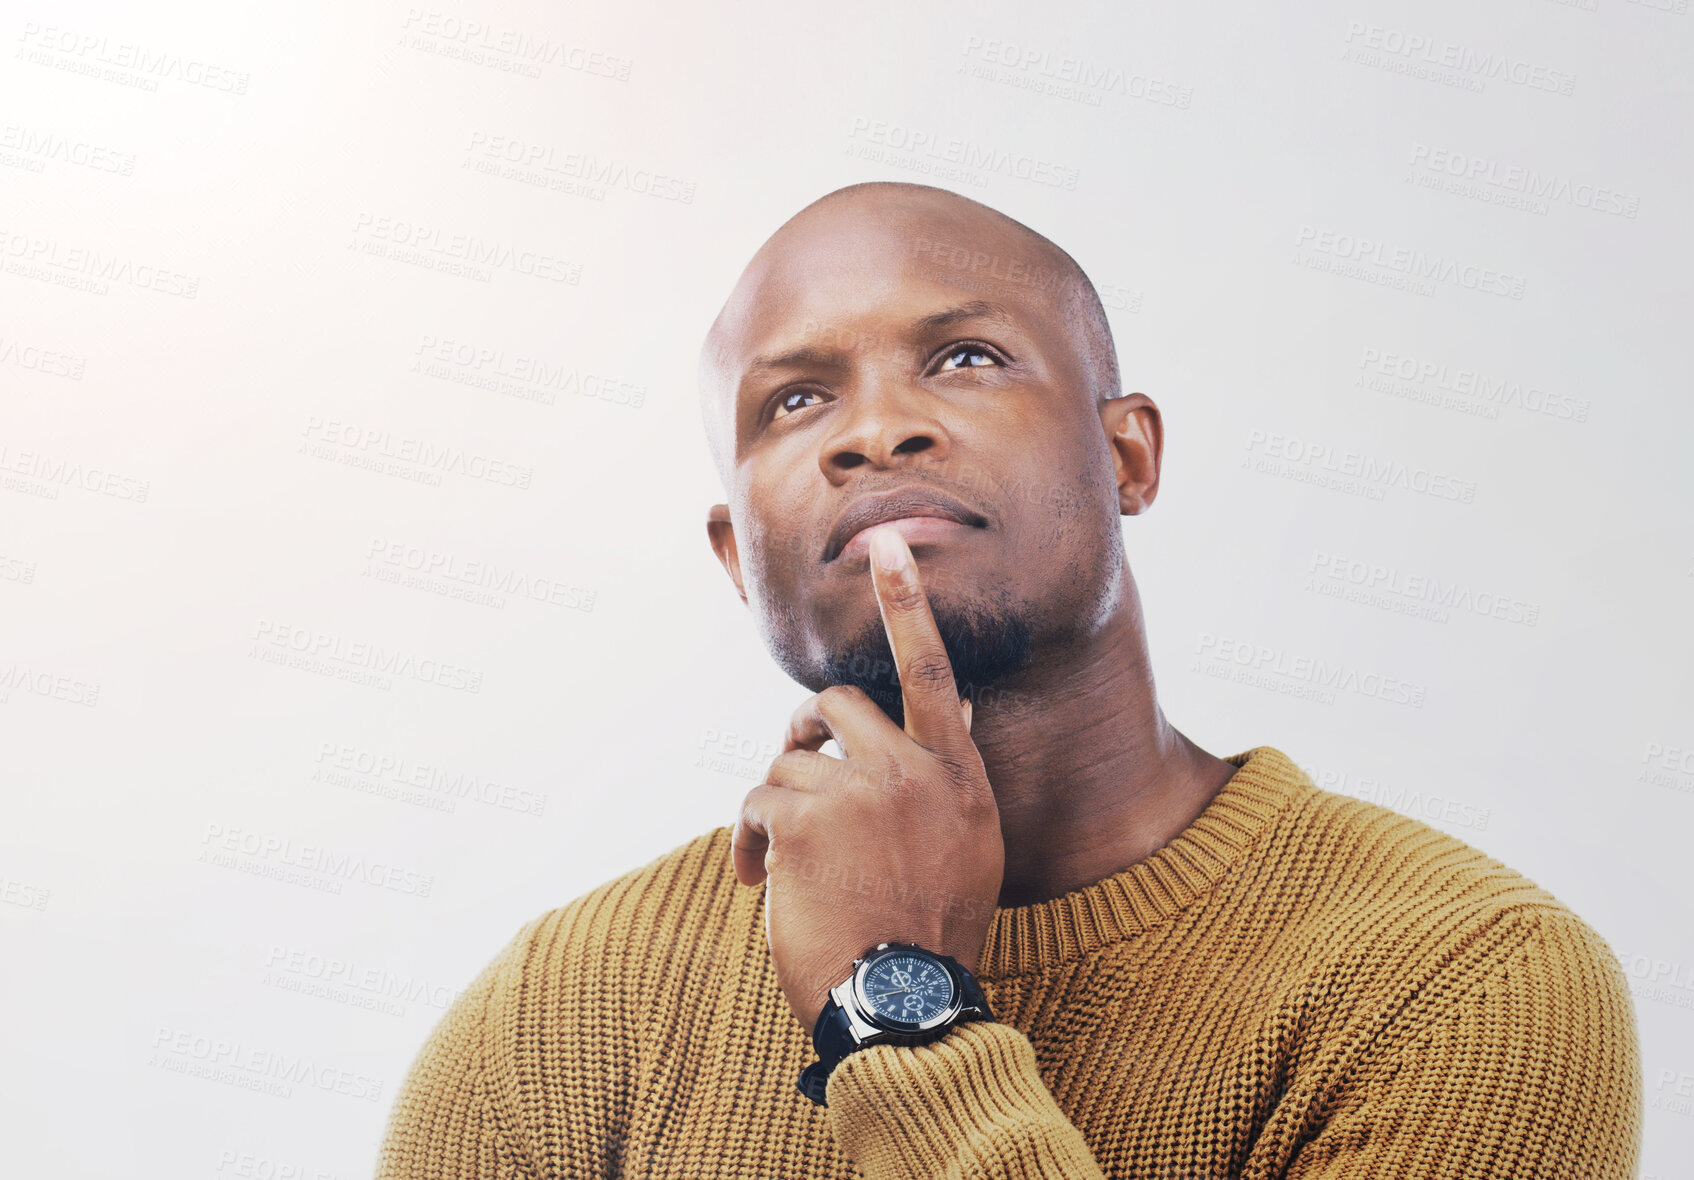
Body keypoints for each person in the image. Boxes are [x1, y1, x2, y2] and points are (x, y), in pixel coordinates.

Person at [375, 182, 1642, 1179]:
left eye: (965, 358)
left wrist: (892, 1007)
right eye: (796, 399)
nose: (874, 431)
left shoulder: (1462, 981)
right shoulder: (566, 1006)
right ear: (734, 554)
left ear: (1126, 453)